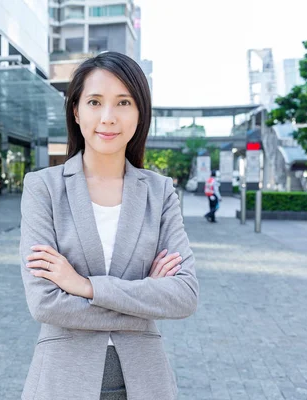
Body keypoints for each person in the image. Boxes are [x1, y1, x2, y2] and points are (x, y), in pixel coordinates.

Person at [19, 52, 199, 400]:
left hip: (146, 383)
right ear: (76, 110)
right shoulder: (43, 188)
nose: (108, 117)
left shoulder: (159, 192)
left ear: (140, 111)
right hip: (61, 381)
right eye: (95, 101)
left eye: (123, 102)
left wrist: (83, 286)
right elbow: (44, 303)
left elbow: (184, 296)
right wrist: (145, 295)